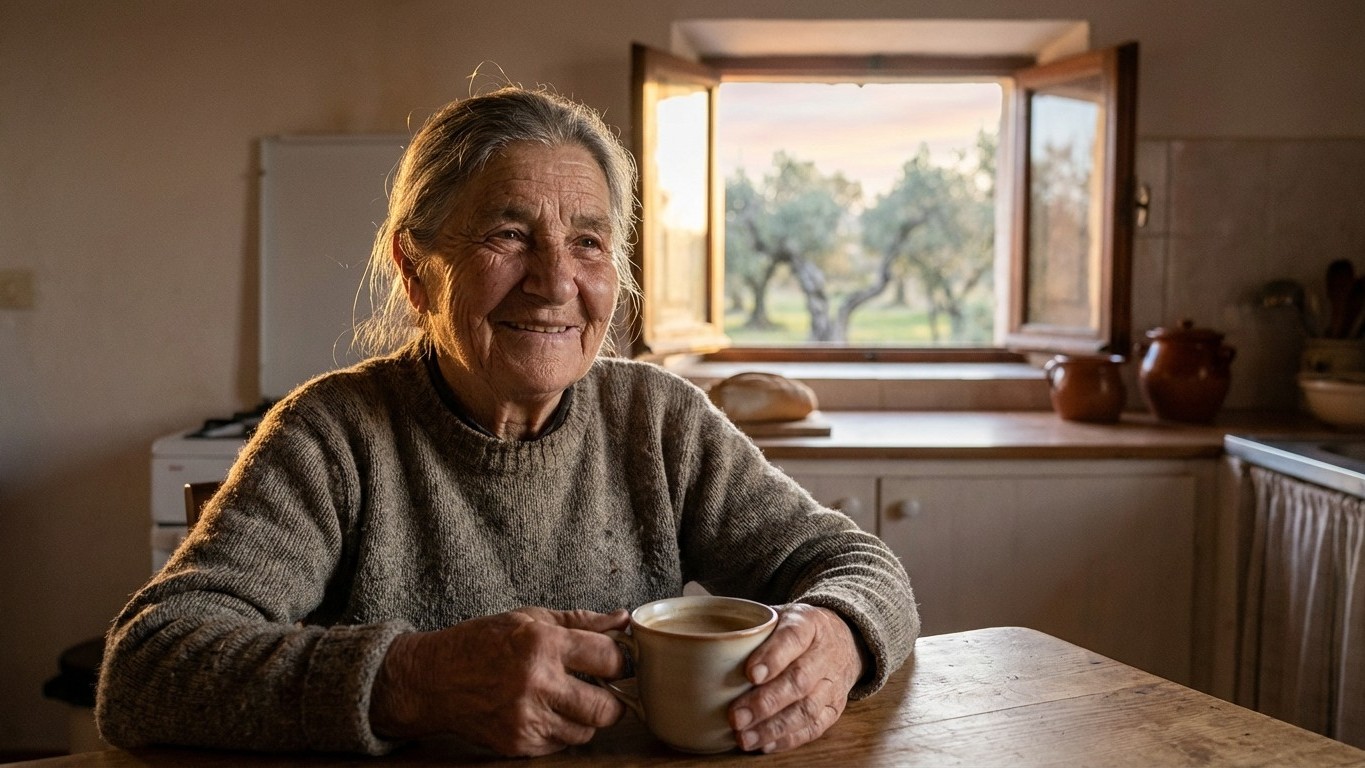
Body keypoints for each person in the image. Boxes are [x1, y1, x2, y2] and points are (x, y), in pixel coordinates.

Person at [96, 85, 918, 758]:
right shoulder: (334, 435)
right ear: (417, 272)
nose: (556, 281)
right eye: (508, 234)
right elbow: (147, 667)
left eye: (589, 242)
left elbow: (853, 562)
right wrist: (412, 680)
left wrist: (840, 633)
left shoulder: (658, 419)